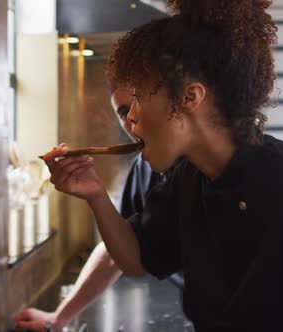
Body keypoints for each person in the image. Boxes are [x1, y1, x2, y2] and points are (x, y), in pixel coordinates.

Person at [42, 0, 283, 331]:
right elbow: (136, 259)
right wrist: (96, 196)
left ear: (190, 97)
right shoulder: (189, 180)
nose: (130, 117)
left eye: (138, 98)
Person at [12, 88, 167, 331]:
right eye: (124, 111)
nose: (133, 119)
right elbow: (120, 252)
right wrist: (58, 318)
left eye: (141, 102)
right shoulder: (145, 169)